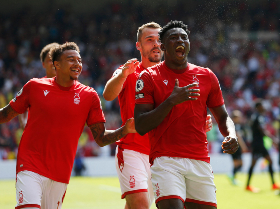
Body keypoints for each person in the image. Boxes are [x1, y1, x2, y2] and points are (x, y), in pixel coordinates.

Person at [0, 42, 136, 209]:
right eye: (71, 59)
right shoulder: (34, 86)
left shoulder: (89, 96)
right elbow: (5, 115)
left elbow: (100, 139)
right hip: (30, 164)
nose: (77, 64)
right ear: (56, 64)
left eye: (79, 60)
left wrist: (126, 129)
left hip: (60, 172)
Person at [103, 22, 213, 209]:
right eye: (149, 40)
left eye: (158, 40)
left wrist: (200, 123)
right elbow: (108, 95)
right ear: (138, 45)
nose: (155, 44)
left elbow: (179, 112)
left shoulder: (172, 72)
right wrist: (122, 75)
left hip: (164, 154)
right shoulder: (128, 69)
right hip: (132, 150)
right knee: (139, 204)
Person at [134, 20, 239, 209]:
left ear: (189, 44)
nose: (180, 40)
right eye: (173, 38)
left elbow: (223, 117)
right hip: (166, 160)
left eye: (184, 37)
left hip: (200, 160)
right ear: (163, 46)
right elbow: (141, 125)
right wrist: (170, 101)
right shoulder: (148, 77)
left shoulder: (206, 76)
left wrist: (231, 134)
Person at [18, 42, 60, 129]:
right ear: (43, 64)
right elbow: (21, 107)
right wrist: (24, 124)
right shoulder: (35, 86)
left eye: (56, 59)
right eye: (49, 60)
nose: (53, 63)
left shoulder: (73, 87)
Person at [246, 99, 279, 192]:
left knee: (267, 161)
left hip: (257, 143)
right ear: (258, 107)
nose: (264, 107)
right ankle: (272, 184)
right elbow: (262, 130)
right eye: (262, 106)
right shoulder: (258, 117)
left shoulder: (255, 116)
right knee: (265, 162)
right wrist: (273, 139)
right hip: (258, 144)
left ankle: (272, 184)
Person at [228, 110, 248, 185]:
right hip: (235, 146)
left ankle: (233, 177)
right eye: (238, 117)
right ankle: (232, 177)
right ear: (234, 118)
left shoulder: (235, 125)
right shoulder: (234, 125)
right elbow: (238, 137)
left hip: (233, 146)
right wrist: (243, 146)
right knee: (238, 164)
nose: (240, 118)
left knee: (239, 164)